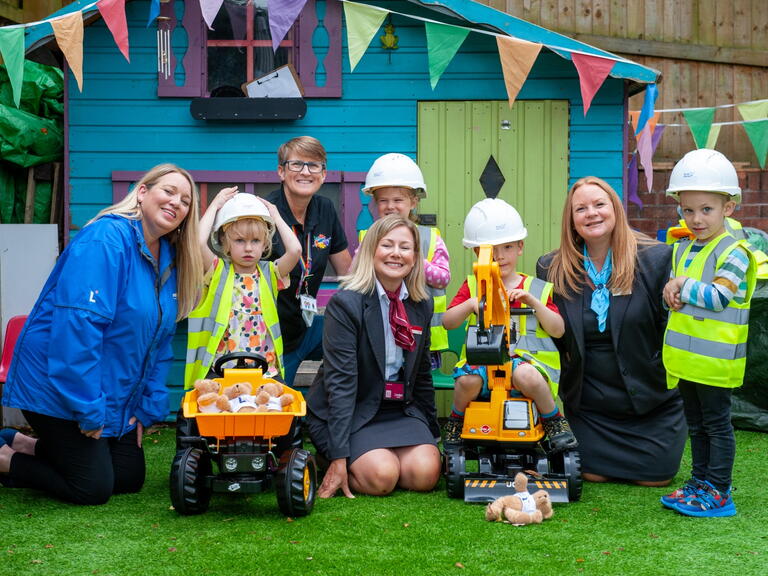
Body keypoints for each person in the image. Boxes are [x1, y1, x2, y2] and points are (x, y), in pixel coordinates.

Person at [0, 164, 203, 504]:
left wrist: (148, 406)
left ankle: (23, 443)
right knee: (92, 487)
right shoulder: (106, 239)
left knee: (127, 476)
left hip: (110, 392)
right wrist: (88, 410)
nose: (176, 203)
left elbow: (160, 341)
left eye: (185, 201)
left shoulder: (169, 258)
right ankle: (7, 460)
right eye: (168, 191)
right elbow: (77, 333)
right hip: (58, 388)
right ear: (142, 193)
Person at [536, 176, 686, 486]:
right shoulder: (551, 267)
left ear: (615, 209)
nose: (591, 213)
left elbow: (668, 328)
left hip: (651, 402)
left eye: (599, 204)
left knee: (655, 478)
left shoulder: (656, 259)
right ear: (571, 220)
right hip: (590, 408)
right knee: (591, 474)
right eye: (581, 208)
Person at [306, 215, 441, 498]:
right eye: (387, 245)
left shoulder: (421, 305)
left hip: (398, 409)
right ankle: (341, 458)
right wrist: (338, 455)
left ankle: (383, 454)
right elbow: (341, 383)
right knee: (382, 477)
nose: (396, 253)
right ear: (371, 251)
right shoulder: (346, 304)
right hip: (354, 408)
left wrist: (433, 433)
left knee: (426, 474)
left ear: (415, 258)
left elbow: (422, 375)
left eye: (405, 247)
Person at [660, 149, 756, 517]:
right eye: (688, 210)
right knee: (696, 426)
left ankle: (719, 490)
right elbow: (681, 297)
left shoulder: (734, 251)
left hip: (716, 364)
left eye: (706, 209)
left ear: (728, 208)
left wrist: (681, 285)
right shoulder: (684, 249)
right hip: (687, 362)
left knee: (716, 426)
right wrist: (672, 290)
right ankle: (699, 482)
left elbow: (717, 297)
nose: (696, 219)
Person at [442, 198, 576, 452]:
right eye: (491, 250)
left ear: (520, 247)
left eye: (507, 247)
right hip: (482, 364)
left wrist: (533, 302)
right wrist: (471, 304)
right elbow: (449, 322)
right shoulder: (472, 287)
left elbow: (558, 329)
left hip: (527, 362)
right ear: (477, 254)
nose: (500, 256)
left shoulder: (536, 288)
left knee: (524, 374)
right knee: (466, 381)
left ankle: (554, 421)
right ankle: (456, 422)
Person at [185, 189, 301, 385]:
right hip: (222, 368)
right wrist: (215, 206)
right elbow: (196, 242)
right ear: (224, 242)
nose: (248, 248)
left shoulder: (269, 273)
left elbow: (295, 250)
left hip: (264, 368)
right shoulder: (218, 271)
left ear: (265, 244)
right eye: (239, 240)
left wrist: (275, 216)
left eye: (255, 241)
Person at [266, 136, 352, 386]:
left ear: (323, 174)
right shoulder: (264, 212)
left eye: (314, 165)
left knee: (360, 342)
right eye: (296, 165)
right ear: (281, 171)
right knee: (275, 416)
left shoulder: (324, 208)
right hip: (270, 338)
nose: (306, 172)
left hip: (308, 327)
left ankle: (332, 410)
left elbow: (348, 274)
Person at [360, 153, 451, 369]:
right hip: (379, 332)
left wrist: (412, 259)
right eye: (383, 200)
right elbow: (358, 275)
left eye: (398, 200)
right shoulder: (368, 237)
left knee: (416, 386)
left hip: (423, 334)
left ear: (413, 202)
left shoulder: (429, 238)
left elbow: (443, 278)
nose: (390, 206)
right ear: (375, 203)